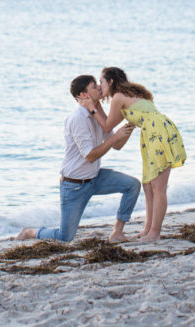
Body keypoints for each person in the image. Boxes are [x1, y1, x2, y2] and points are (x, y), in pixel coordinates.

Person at [16, 74, 141, 243]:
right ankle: (30, 232)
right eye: (94, 86)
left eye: (98, 84)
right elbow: (90, 156)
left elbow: (117, 145)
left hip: (95, 178)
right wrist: (114, 137)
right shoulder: (78, 119)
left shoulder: (97, 115)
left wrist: (130, 125)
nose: (99, 88)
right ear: (84, 95)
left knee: (132, 185)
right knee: (65, 237)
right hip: (74, 185)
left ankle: (117, 232)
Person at [79, 67, 186, 242]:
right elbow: (110, 121)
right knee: (148, 186)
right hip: (153, 133)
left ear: (111, 82)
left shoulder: (118, 97)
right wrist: (95, 104)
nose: (100, 86)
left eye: (102, 82)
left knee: (158, 188)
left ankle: (155, 233)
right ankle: (148, 230)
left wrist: (91, 107)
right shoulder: (125, 95)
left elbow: (106, 126)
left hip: (157, 133)